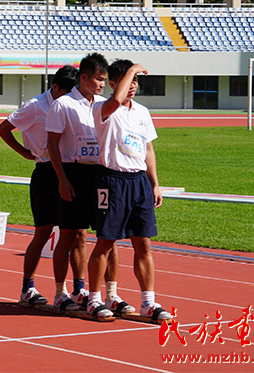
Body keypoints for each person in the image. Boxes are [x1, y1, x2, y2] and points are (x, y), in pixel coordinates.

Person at [45, 54, 133, 314]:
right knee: (70, 233)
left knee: (109, 235)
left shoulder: (105, 104)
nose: (101, 85)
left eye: (105, 80)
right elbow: (51, 144)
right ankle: (61, 292)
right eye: (98, 79)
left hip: (102, 174)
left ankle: (111, 294)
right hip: (73, 172)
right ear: (83, 77)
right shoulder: (63, 105)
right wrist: (62, 179)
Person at [87, 59, 170, 322]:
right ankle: (94, 299)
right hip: (111, 180)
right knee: (106, 242)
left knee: (143, 244)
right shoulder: (102, 108)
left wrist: (154, 182)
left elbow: (148, 149)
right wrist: (132, 69)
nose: (132, 85)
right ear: (112, 84)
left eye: (135, 80)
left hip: (138, 183)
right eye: (127, 80)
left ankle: (148, 302)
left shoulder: (142, 112)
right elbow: (115, 101)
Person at [0, 66, 78, 306]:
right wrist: (23, 152)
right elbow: (3, 129)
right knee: (43, 231)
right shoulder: (36, 106)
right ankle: (27, 287)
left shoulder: (73, 103)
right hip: (46, 172)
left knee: (77, 233)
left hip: (71, 170)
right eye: (66, 94)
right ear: (55, 88)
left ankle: (79, 289)